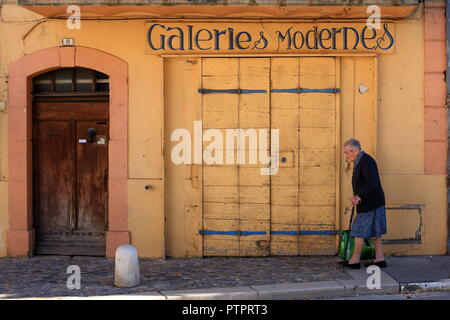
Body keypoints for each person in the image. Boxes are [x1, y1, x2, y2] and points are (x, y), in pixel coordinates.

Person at [342, 138, 387, 269]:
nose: (346, 155)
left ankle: (354, 260)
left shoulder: (365, 161)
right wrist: (357, 195)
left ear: (354, 151)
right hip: (372, 202)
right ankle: (380, 259)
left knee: (358, 231)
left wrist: (359, 196)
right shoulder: (361, 161)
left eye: (347, 152)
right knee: (375, 231)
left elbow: (372, 182)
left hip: (370, 204)